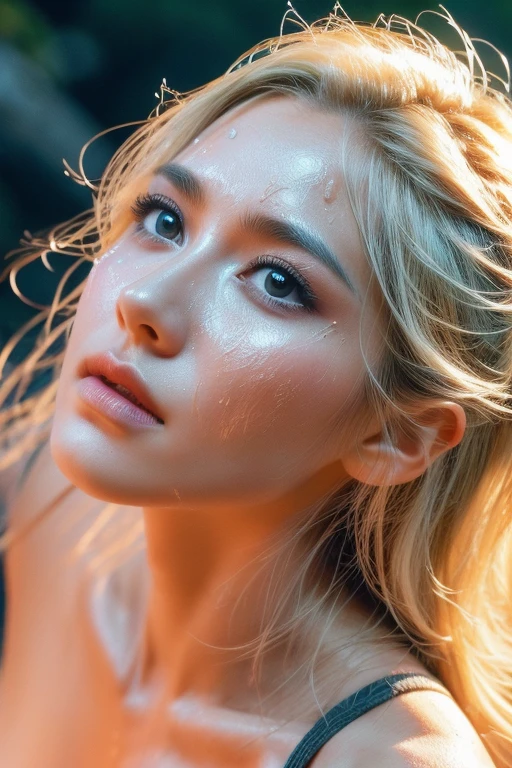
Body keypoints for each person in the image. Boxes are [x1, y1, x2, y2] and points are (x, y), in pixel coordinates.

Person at [0, 5, 511, 767]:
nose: (145, 303)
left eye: (278, 281)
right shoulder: (58, 508)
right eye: (165, 218)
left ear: (397, 435)